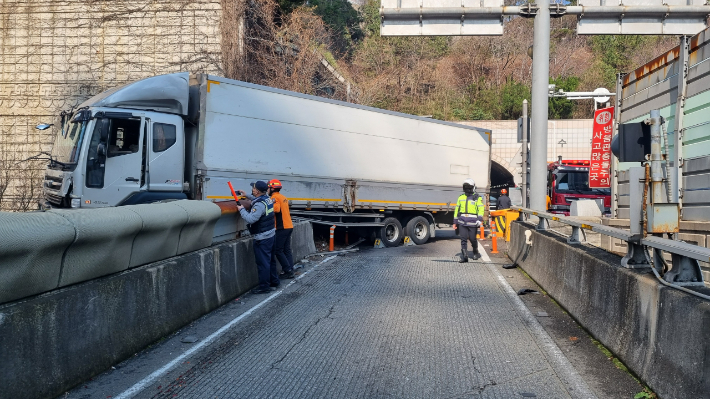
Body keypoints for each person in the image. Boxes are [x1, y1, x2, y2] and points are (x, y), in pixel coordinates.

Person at [237, 181, 278, 294]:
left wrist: (241, 209)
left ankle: (264, 287)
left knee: (263, 263)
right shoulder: (267, 199)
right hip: (271, 234)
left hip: (262, 237)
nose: (252, 189)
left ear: (257, 191)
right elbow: (259, 199)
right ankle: (274, 281)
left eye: (253, 188)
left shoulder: (259, 205)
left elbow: (251, 219)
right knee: (270, 261)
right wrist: (246, 195)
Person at [267, 179, 295, 279]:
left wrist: (267, 206)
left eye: (268, 188)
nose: (267, 190)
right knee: (286, 249)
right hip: (289, 226)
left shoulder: (274, 197)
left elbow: (276, 209)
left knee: (278, 250)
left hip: (281, 227)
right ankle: (290, 269)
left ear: (272, 188)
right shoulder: (283, 197)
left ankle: (287, 270)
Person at [453, 178, 484, 263]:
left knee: (472, 238)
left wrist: (479, 219)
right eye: (465, 187)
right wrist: (455, 222)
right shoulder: (461, 197)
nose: (467, 189)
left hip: (473, 222)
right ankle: (465, 257)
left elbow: (481, 209)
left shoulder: (477, 198)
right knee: (463, 238)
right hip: (462, 222)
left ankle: (475, 251)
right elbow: (457, 210)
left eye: (469, 187)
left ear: (473, 187)